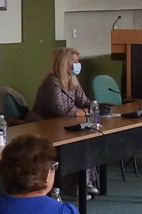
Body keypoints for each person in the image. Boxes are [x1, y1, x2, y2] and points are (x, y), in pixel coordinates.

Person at [26, 47, 99, 194]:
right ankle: (72, 185)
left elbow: (85, 102)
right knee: (74, 143)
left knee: (85, 138)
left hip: (63, 123)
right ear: (65, 63)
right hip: (43, 123)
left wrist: (90, 108)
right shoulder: (52, 82)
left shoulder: (73, 81)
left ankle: (84, 182)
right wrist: (83, 111)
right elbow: (60, 110)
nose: (78, 64)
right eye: (75, 61)